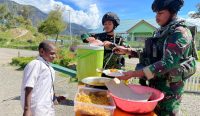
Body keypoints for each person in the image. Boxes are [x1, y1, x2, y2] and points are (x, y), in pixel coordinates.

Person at [113, 0, 197, 115]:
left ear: (172, 12)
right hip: (154, 85)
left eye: (160, 13)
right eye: (156, 13)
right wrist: (127, 51)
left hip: (169, 91)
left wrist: (134, 73)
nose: (157, 17)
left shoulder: (180, 32)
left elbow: (168, 63)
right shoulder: (160, 32)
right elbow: (150, 55)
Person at [21, 40, 61, 116]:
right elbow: (29, 86)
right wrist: (27, 109)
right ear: (42, 51)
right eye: (52, 53)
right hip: (37, 108)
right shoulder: (36, 64)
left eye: (55, 54)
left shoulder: (49, 67)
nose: (54, 56)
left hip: (47, 108)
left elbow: (47, 87)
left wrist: (55, 99)